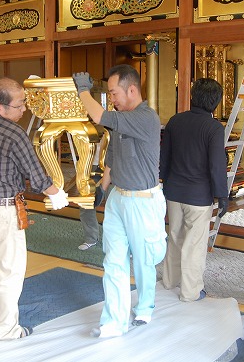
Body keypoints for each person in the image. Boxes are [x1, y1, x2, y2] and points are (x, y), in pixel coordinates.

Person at [0, 77, 69, 341]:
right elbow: (36, 175)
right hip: (1, 213)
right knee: (11, 273)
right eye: (19, 105)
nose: (24, 110)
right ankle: (6, 329)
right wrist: (57, 194)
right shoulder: (14, 134)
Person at [73, 65, 167, 338]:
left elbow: (99, 115)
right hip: (118, 198)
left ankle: (145, 307)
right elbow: (112, 160)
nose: (111, 99)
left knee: (144, 260)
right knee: (113, 260)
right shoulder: (120, 123)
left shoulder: (146, 117)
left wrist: (83, 91)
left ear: (132, 90)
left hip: (143, 201)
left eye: (114, 93)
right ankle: (114, 321)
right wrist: (101, 190)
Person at [160, 78, 229, 302]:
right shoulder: (214, 128)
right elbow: (216, 165)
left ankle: (169, 282)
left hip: (173, 192)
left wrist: (164, 184)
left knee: (175, 237)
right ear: (216, 102)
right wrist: (222, 195)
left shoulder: (175, 121)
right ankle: (190, 292)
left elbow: (164, 157)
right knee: (194, 245)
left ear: (192, 96)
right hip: (198, 196)